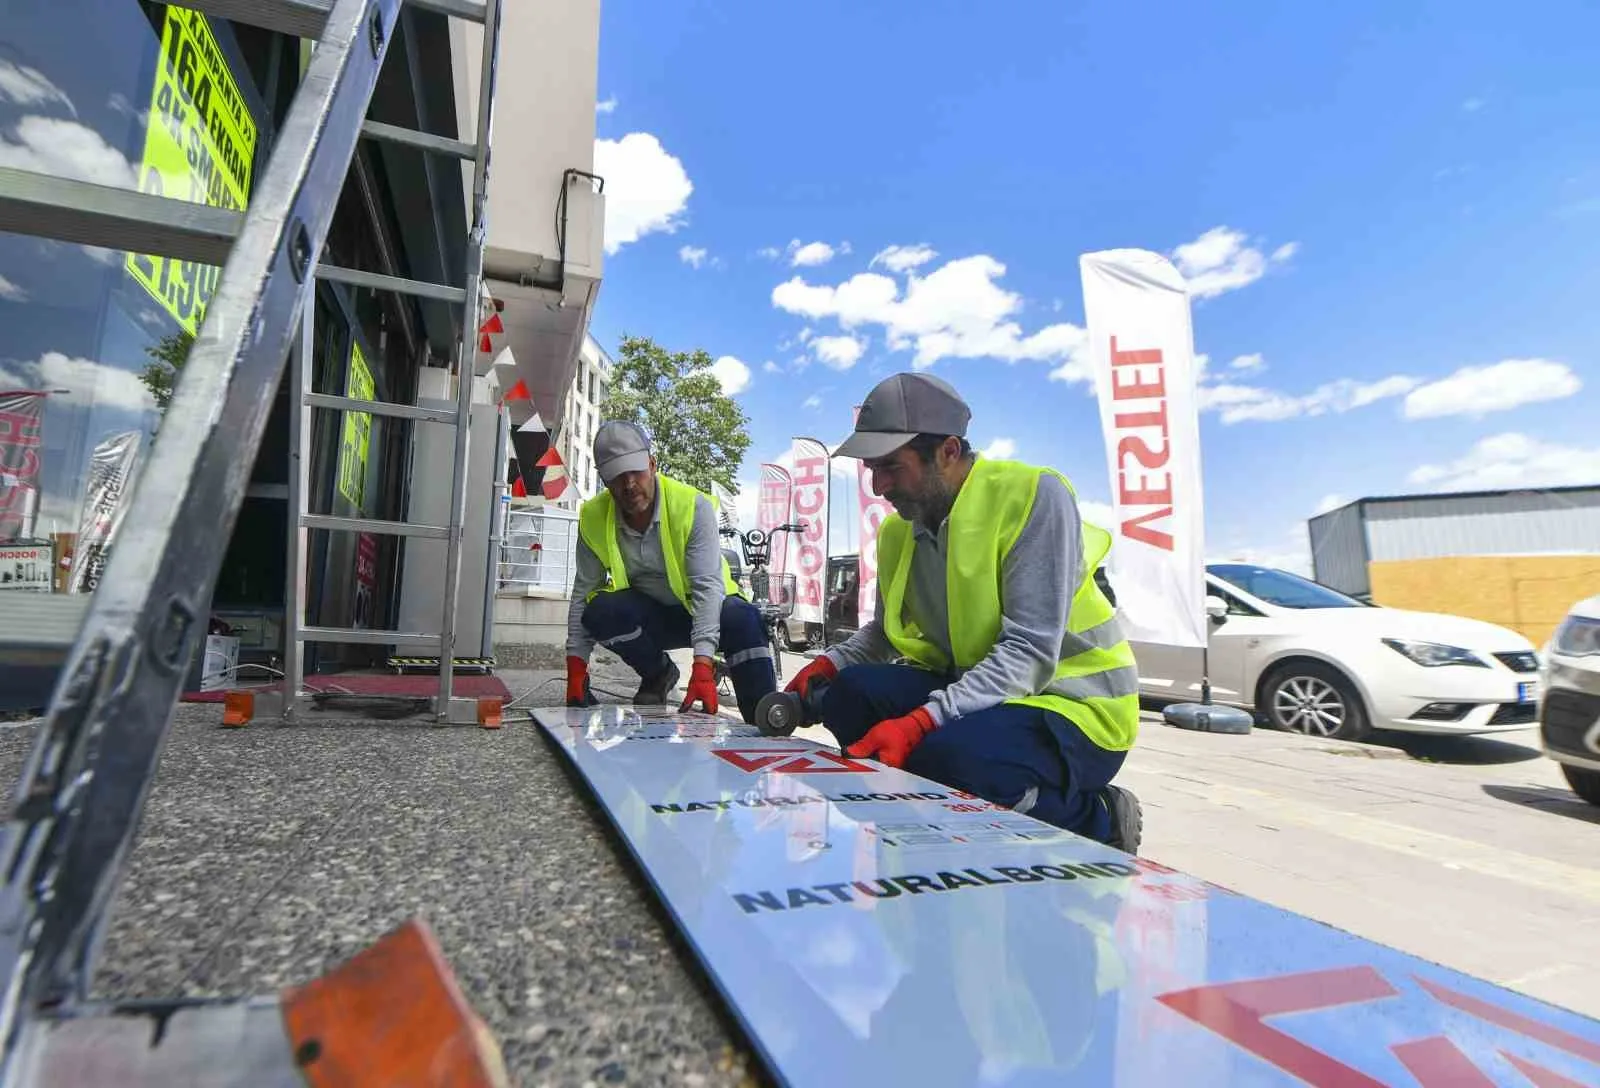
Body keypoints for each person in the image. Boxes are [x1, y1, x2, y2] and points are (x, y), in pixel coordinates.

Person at [783, 372, 1144, 853]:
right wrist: (828, 665)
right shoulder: (898, 533)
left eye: (892, 467)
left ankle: (1098, 818)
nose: (879, 485)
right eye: (871, 469)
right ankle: (921, 814)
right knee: (849, 694)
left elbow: (1029, 653)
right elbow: (883, 636)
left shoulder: (1032, 497)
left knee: (949, 758)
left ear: (948, 452)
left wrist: (920, 723)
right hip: (986, 694)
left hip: (1075, 705)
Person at [565, 420, 777, 722]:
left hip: (707, 611)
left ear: (652, 465)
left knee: (744, 618)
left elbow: (706, 588)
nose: (628, 485)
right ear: (603, 480)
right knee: (599, 611)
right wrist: (575, 666)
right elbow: (582, 592)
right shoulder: (593, 517)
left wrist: (703, 665)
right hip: (653, 620)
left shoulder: (692, 506)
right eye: (616, 477)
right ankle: (658, 674)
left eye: (635, 472)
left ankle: (766, 716)